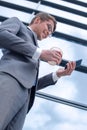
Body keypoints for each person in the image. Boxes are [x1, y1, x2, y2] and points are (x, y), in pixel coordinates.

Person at [0, 12, 76, 130]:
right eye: (48, 27)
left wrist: (57, 75)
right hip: (10, 80)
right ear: (37, 20)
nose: (48, 33)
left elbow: (30, 83)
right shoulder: (18, 24)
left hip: (25, 100)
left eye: (51, 33)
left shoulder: (36, 54)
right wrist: (39, 52)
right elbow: (1, 34)